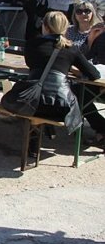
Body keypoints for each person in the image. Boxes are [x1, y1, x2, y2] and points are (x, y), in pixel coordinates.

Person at [24, 12, 101, 150]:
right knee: (79, 94)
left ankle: (35, 142)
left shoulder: (32, 44)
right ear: (65, 28)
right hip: (60, 106)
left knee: (42, 97)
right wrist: (69, 68)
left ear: (45, 27)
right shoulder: (70, 49)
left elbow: (31, 65)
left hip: (30, 101)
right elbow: (94, 74)